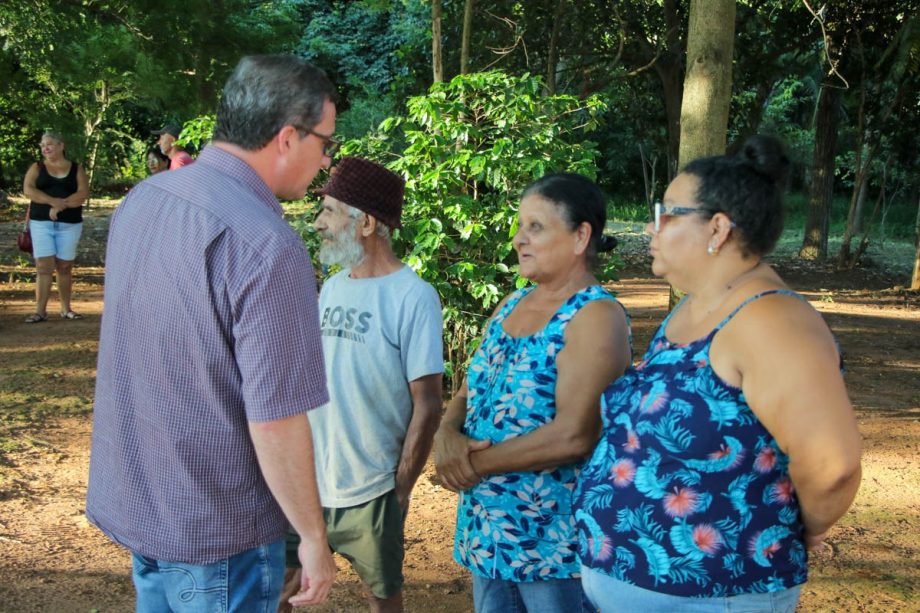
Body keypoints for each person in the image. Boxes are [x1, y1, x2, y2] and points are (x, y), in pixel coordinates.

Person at [86, 54, 341, 611]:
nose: (325, 162)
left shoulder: (142, 201)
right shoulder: (267, 246)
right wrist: (315, 539)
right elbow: (275, 417)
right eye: (326, 144)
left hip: (142, 500)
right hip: (219, 529)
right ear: (286, 138)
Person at [574, 135, 862, 612]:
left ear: (717, 229)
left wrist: (801, 526)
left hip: (714, 595)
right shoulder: (694, 309)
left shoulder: (770, 321)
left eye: (666, 213)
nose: (652, 228)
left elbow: (832, 467)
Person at [434, 173, 632, 612]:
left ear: (581, 236)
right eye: (521, 226)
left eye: (535, 227)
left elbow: (574, 435)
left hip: (554, 549)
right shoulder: (511, 304)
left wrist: (470, 464)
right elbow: (470, 389)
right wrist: (446, 432)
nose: (520, 239)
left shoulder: (596, 316)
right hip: (488, 537)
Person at [281, 157, 444, 613]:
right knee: (283, 589)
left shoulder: (413, 296)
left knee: (383, 599)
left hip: (372, 488)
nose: (319, 223)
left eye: (330, 210)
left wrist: (401, 489)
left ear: (367, 222)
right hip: (310, 480)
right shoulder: (332, 288)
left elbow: (428, 404)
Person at [21, 131, 90, 323]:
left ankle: (66, 308)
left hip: (70, 224)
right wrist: (53, 202)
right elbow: (29, 189)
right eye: (43, 145)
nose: (45, 148)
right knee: (43, 266)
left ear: (61, 146)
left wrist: (62, 205)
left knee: (65, 266)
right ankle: (40, 311)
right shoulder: (37, 167)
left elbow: (83, 193)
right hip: (41, 223)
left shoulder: (76, 168)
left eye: (49, 144)